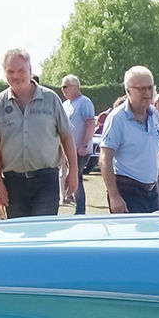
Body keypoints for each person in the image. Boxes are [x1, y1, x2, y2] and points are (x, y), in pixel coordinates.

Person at [0, 49, 78, 218]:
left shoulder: (51, 99)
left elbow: (66, 136)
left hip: (46, 180)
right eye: (10, 72)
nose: (16, 76)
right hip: (13, 183)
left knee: (42, 235)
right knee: (19, 239)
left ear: (30, 69)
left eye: (21, 70)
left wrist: (73, 171)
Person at [100, 66, 159, 214]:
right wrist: (114, 196)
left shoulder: (154, 114)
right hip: (127, 191)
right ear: (128, 91)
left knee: (152, 235)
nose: (147, 93)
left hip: (152, 191)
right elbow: (105, 158)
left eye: (150, 88)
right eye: (141, 89)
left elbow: (157, 150)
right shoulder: (117, 118)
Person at [60, 75, 95, 216]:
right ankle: (78, 207)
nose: (62, 90)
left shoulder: (84, 102)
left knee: (76, 176)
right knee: (74, 177)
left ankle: (80, 210)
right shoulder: (65, 104)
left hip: (80, 150)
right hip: (68, 150)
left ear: (75, 86)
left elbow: (90, 123)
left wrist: (85, 144)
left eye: (65, 86)